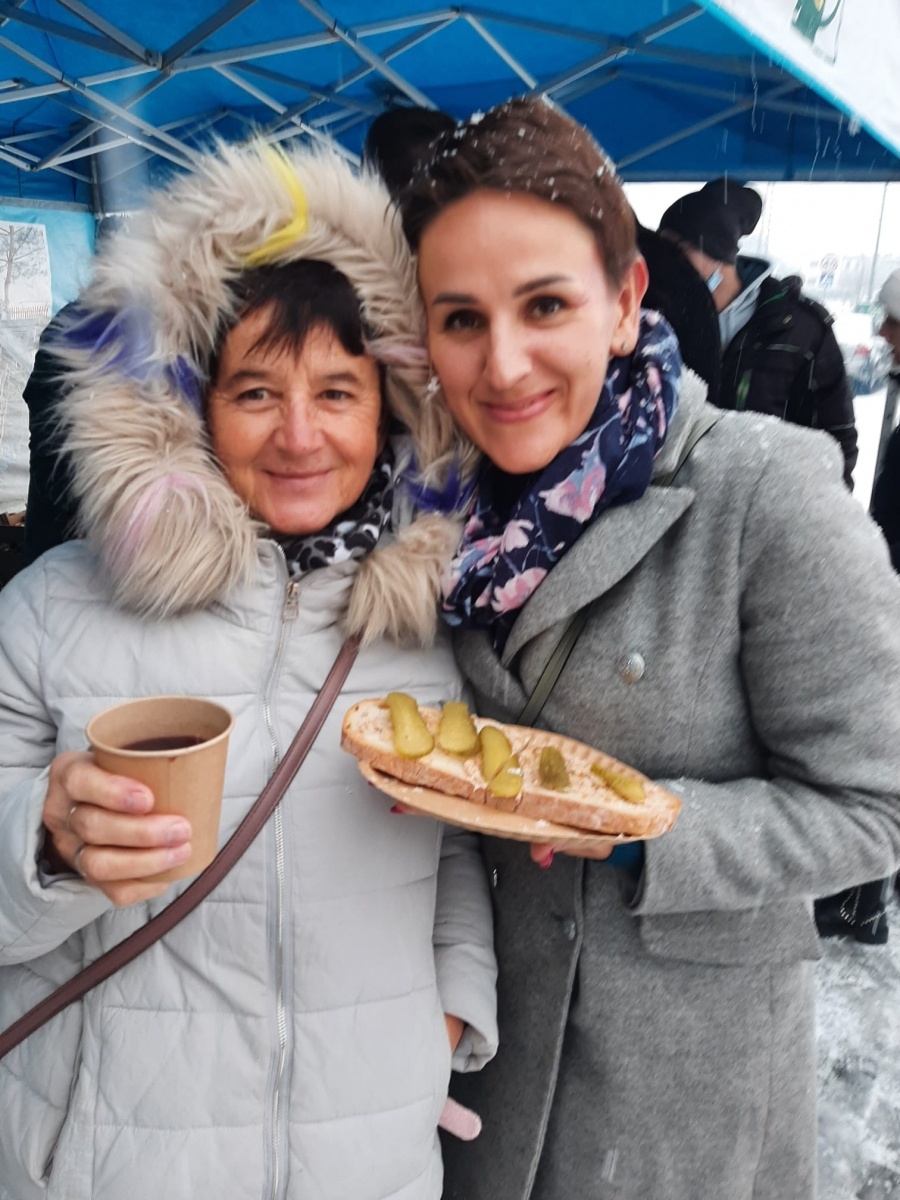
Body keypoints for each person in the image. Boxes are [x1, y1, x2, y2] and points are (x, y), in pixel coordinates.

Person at [398, 97, 900, 1200]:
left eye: (544, 305)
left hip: (675, 1105)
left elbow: (877, 806)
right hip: (483, 1078)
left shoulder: (760, 493)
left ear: (625, 302)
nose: (504, 363)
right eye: (462, 318)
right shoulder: (434, 518)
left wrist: (639, 828)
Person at [0, 142, 498, 1200]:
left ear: (393, 407)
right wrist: (43, 841)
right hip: (108, 1166)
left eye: (338, 390)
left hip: (370, 1165)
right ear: (189, 404)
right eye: (256, 391)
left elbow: (453, 852)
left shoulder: (428, 627)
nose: (301, 435)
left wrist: (446, 1018)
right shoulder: (50, 610)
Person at [658, 177, 859, 488]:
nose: (665, 263)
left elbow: (836, 443)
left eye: (676, 249)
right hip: (677, 513)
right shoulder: (659, 320)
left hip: (763, 517)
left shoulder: (801, 330)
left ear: (715, 255)